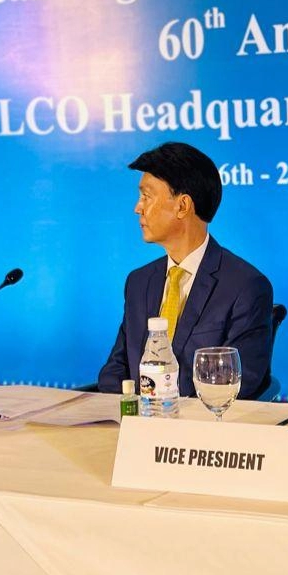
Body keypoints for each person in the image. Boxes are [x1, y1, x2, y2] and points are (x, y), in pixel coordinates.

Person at [98, 142, 275, 398]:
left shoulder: (245, 287)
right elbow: (116, 370)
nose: (138, 207)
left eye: (147, 196)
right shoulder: (139, 282)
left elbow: (237, 385)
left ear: (182, 206)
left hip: (201, 422)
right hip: (137, 421)